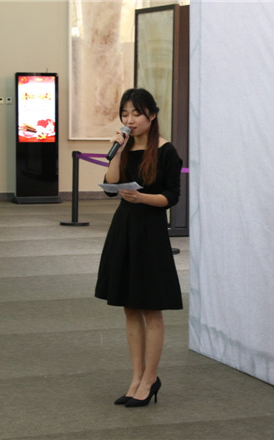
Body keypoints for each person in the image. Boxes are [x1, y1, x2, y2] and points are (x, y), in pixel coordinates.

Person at [95, 88, 183, 408]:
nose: (130, 120)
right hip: (125, 228)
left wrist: (142, 197)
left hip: (151, 230)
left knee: (150, 307)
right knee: (130, 307)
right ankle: (135, 378)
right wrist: (117, 151)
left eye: (136, 113)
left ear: (152, 115)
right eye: (125, 114)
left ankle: (150, 378)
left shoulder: (166, 151)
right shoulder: (124, 145)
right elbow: (110, 187)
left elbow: (171, 197)